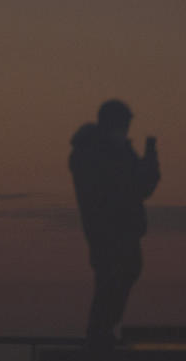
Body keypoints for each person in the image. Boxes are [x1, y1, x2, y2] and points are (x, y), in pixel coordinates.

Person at [69, 100, 160, 348]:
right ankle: (100, 332)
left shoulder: (115, 150)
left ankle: (103, 331)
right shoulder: (93, 151)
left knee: (123, 273)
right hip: (107, 230)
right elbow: (123, 186)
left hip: (122, 228)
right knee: (112, 276)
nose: (128, 128)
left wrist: (150, 155)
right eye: (125, 122)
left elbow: (143, 185)